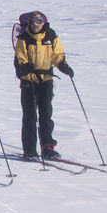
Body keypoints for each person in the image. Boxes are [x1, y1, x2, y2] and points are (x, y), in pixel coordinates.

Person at [14, 11, 73, 159]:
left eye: (38, 21)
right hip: (29, 80)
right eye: (33, 21)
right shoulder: (24, 38)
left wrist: (63, 66)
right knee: (30, 116)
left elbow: (57, 55)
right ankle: (30, 151)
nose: (35, 25)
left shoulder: (51, 35)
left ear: (43, 22)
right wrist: (24, 66)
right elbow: (20, 56)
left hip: (46, 79)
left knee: (46, 114)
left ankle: (48, 147)